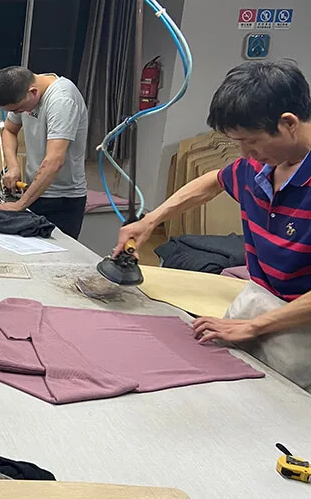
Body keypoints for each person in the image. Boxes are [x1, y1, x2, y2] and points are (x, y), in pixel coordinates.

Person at [114, 59, 311, 392]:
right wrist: (150, 220)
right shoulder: (258, 167)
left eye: (251, 141)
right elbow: (213, 182)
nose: (245, 153)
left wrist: (255, 327)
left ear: (288, 123)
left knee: (275, 406)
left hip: (301, 326)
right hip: (258, 299)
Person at [0, 66, 89, 239]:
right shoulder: (24, 89)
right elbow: (9, 130)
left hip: (62, 201)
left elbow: (54, 161)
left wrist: (19, 205)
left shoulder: (62, 100)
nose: (17, 114)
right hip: (34, 192)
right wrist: (13, 167)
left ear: (33, 92)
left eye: (18, 110)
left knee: (55, 253)